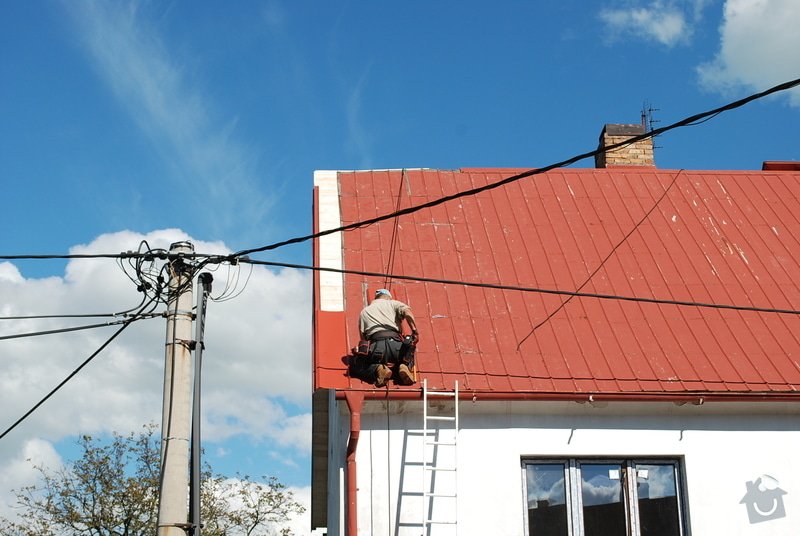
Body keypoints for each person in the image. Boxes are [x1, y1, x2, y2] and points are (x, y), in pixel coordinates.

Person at [355, 289, 418, 387]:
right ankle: (404, 366)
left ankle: (378, 369)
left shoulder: (364, 311)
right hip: (397, 347)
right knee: (410, 352)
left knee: (358, 366)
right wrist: (414, 331)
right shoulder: (393, 304)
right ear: (388, 297)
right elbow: (408, 312)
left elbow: (363, 339)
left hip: (377, 348)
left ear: (377, 297)